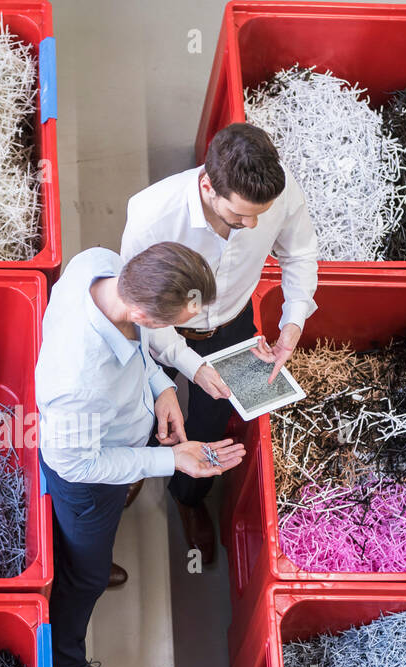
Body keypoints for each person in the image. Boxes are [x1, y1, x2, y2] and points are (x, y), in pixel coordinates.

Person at [37, 242, 247, 667]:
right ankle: (66, 657)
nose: (173, 334)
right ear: (140, 311)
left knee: (98, 537)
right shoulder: (76, 380)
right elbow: (76, 465)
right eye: (168, 323)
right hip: (88, 477)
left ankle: (86, 556)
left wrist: (164, 388)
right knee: (86, 575)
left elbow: (141, 351)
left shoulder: (103, 264)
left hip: (116, 439)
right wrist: (173, 463)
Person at [120, 123, 319, 564]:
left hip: (231, 324)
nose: (251, 226)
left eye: (258, 216)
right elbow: (143, 307)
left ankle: (189, 496)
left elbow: (299, 253)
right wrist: (189, 367)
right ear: (208, 185)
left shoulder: (278, 193)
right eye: (240, 216)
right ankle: (133, 470)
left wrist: (293, 320)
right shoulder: (153, 214)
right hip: (163, 330)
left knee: (212, 421)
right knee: (140, 409)